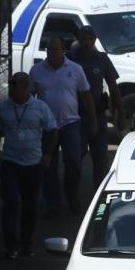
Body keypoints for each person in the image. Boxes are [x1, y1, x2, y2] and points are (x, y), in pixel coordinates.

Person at [0, 72, 57, 258]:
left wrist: (48, 154)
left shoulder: (40, 107)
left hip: (33, 163)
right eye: (11, 85)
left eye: (16, 85)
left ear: (27, 87)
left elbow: (52, 130)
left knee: (30, 205)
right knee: (10, 203)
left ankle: (27, 243)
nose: (12, 88)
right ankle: (10, 245)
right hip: (10, 161)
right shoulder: (3, 108)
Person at [29, 37, 96, 217]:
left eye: (55, 49)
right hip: (46, 127)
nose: (51, 53)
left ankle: (72, 196)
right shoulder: (36, 71)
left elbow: (86, 95)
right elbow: (29, 98)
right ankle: (53, 204)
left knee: (74, 161)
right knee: (48, 166)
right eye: (49, 49)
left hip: (70, 124)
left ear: (62, 51)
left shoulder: (75, 69)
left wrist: (93, 121)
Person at [67, 25, 124, 188]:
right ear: (78, 40)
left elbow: (113, 87)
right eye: (83, 39)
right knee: (74, 159)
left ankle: (101, 195)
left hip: (98, 116)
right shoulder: (69, 59)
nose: (86, 42)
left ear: (94, 40)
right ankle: (72, 196)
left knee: (101, 158)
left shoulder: (102, 59)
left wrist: (120, 114)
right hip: (75, 117)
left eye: (89, 39)